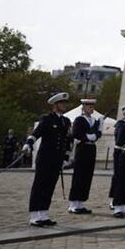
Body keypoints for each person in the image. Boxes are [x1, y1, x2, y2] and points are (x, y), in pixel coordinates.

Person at [24, 93, 72, 226]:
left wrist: (66, 157)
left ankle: (44, 214)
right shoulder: (47, 119)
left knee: (49, 187)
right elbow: (37, 133)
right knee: (39, 186)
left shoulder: (65, 121)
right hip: (45, 157)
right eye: (62, 103)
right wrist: (28, 143)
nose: (64, 105)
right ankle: (34, 215)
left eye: (65, 103)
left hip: (57, 159)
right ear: (55, 105)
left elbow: (67, 141)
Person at [68, 98, 102, 214]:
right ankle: (73, 204)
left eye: (92, 106)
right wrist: (87, 137)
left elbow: (98, 133)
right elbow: (76, 133)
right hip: (82, 148)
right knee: (79, 176)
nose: (91, 108)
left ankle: (81, 202)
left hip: (91, 148)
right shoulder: (79, 119)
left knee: (87, 176)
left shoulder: (94, 120)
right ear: (83, 107)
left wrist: (97, 134)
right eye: (88, 106)